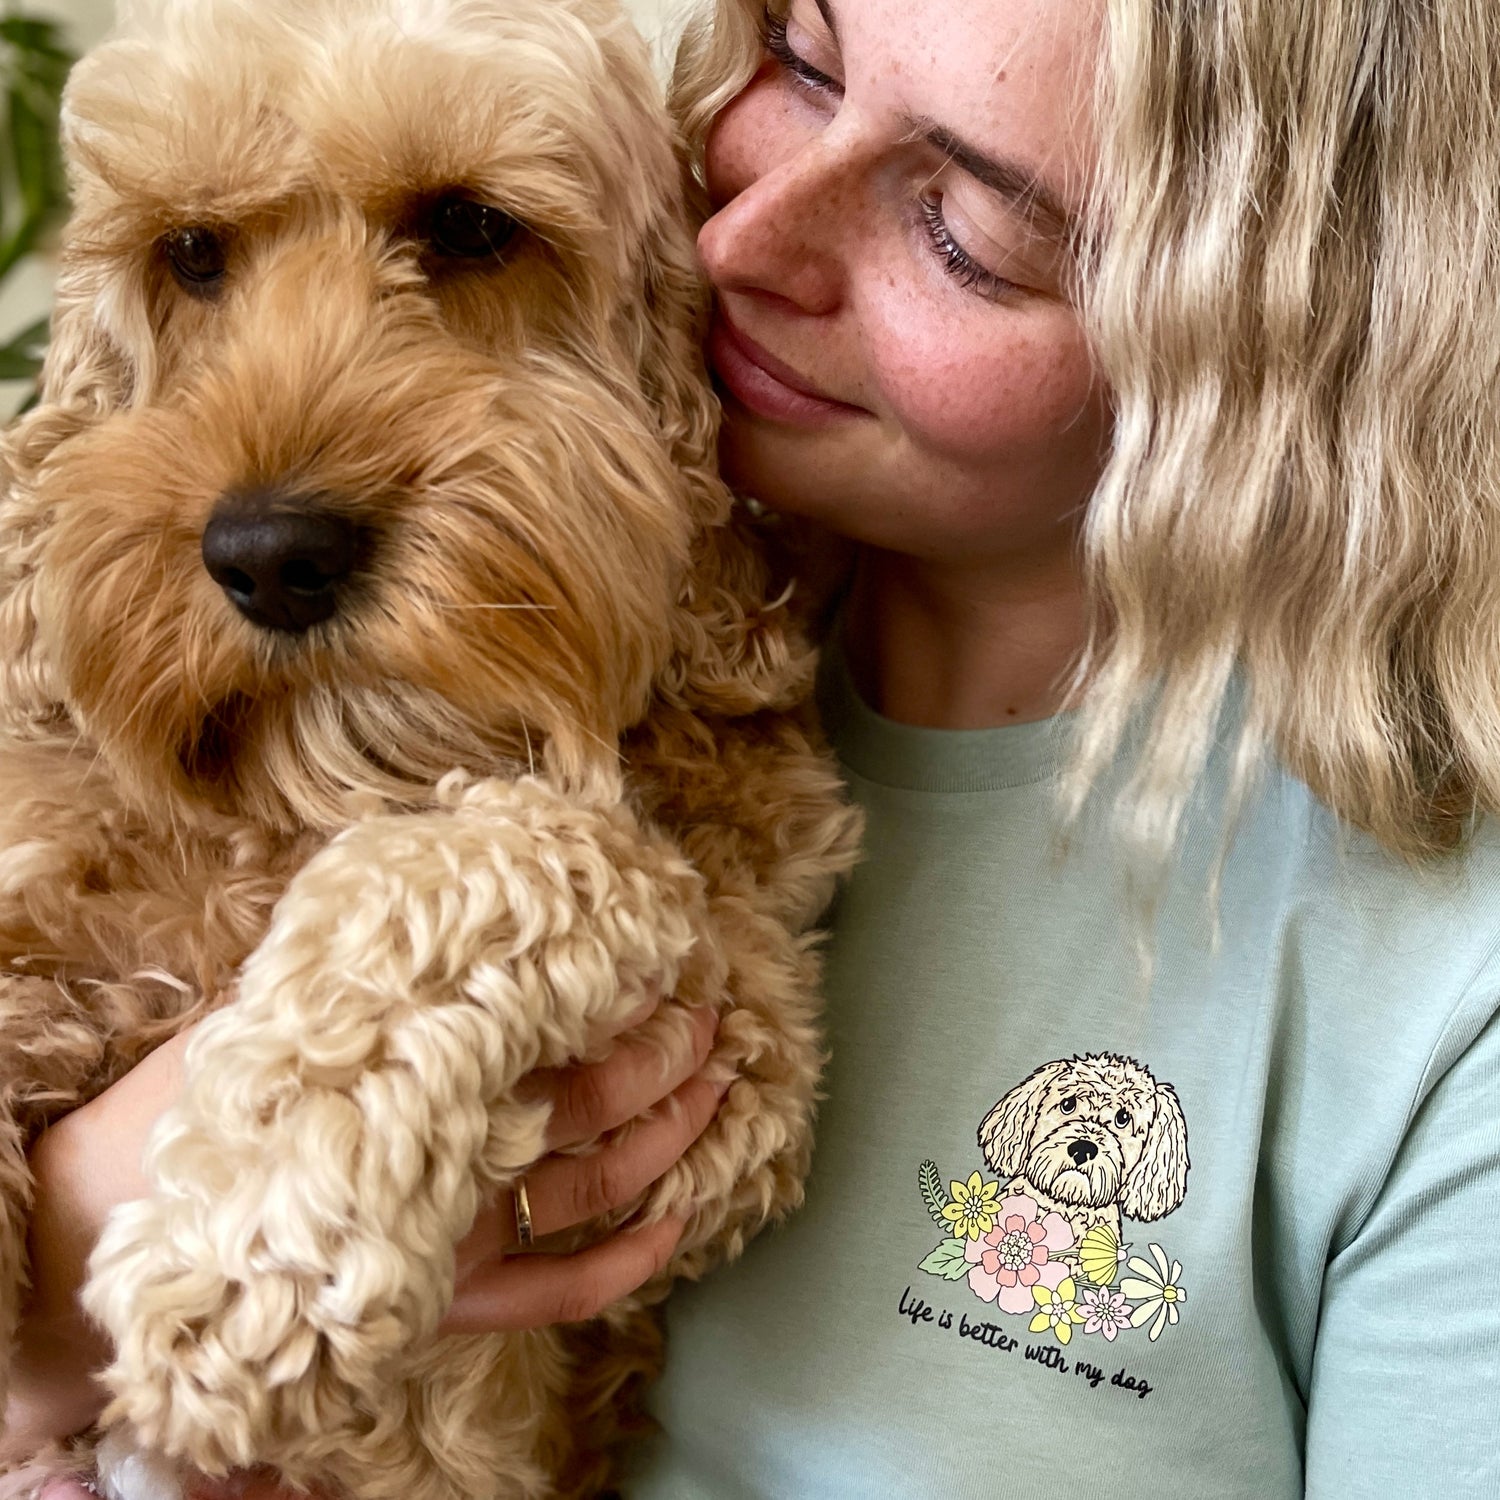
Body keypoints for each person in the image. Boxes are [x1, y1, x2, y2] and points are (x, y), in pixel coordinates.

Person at [12, 0, 1500, 1494]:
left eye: (966, 228)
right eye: (804, 62)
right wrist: (68, 1266)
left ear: (1269, 328)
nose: (736, 240)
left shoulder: (1433, 990)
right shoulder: (430, 653)